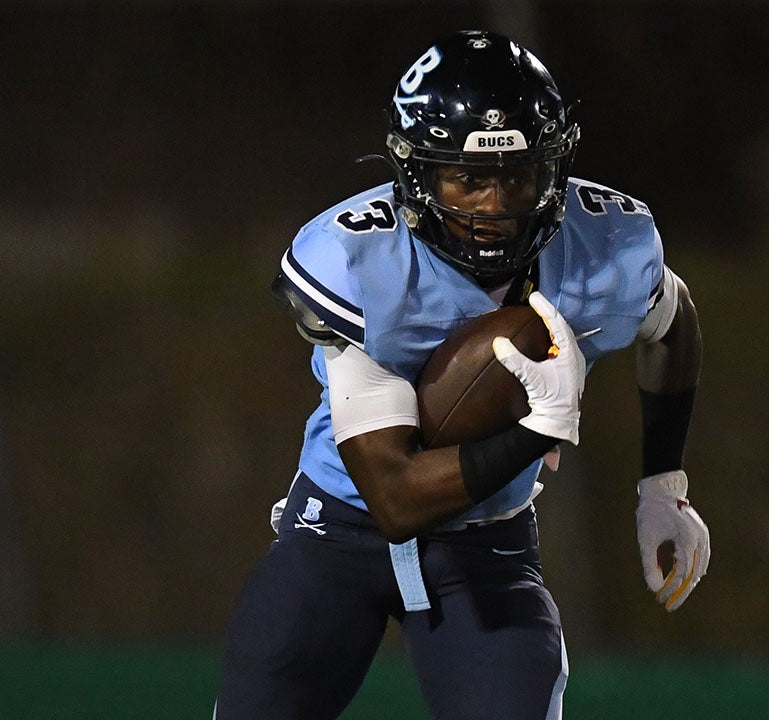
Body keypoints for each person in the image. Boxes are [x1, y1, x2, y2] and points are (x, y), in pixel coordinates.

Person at [215, 30, 709, 720]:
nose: (494, 206)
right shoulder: (358, 260)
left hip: (489, 545)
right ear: (418, 174)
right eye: (468, 179)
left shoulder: (608, 245)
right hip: (341, 535)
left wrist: (664, 483)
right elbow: (393, 497)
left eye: (518, 176)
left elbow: (672, 316)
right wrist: (538, 431)